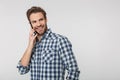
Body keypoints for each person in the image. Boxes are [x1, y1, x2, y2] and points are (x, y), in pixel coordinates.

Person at [17, 6, 80, 80]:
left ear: (46, 19)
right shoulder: (32, 45)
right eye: (34, 22)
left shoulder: (59, 41)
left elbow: (73, 70)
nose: (38, 24)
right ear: (30, 24)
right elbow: (22, 70)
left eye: (41, 20)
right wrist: (30, 44)